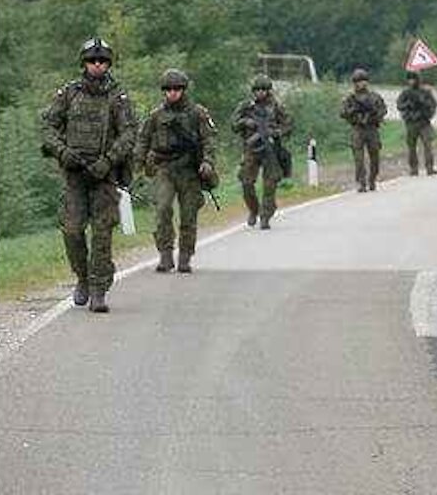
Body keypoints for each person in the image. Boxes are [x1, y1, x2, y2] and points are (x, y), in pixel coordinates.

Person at [40, 37, 137, 313]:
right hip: (75, 176)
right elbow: (48, 126)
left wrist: (108, 161)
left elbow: (130, 133)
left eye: (103, 60)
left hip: (104, 178)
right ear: (84, 63)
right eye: (93, 60)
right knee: (71, 230)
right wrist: (62, 152)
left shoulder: (118, 97)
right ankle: (82, 277)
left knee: (102, 234)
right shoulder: (69, 94)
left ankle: (98, 289)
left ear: (108, 64)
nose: (97, 65)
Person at [134, 69, 218, 274]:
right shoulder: (156, 115)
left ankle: (185, 256)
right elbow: (143, 139)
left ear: (183, 90)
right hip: (164, 167)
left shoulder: (197, 113)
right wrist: (137, 163)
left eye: (177, 89)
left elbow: (209, 140)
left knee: (189, 214)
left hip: (189, 169)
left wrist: (207, 161)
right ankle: (165, 254)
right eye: (168, 89)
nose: (172, 93)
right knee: (162, 208)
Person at [232, 74, 293, 229]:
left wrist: (278, 132)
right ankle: (254, 210)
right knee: (246, 182)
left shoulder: (277, 106)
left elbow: (288, 124)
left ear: (268, 91)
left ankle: (265, 215)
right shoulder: (246, 106)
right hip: (251, 148)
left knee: (270, 184)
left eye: (263, 90)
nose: (260, 93)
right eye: (257, 90)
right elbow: (233, 124)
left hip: (270, 149)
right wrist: (246, 122)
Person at [340, 67, 388, 192]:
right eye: (358, 81)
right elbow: (343, 112)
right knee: (358, 158)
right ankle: (362, 182)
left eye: (363, 81)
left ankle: (372, 179)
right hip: (357, 129)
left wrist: (375, 114)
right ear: (354, 83)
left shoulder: (374, 97)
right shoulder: (350, 98)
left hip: (372, 129)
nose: (361, 83)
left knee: (375, 157)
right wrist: (354, 111)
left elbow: (383, 110)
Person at [396, 70, 437, 176]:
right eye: (409, 79)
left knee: (428, 145)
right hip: (411, 122)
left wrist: (424, 104)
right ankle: (413, 168)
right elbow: (399, 105)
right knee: (411, 147)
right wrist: (408, 105)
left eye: (413, 79)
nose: (411, 81)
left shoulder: (425, 92)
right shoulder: (406, 93)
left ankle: (429, 167)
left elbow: (433, 105)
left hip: (424, 122)